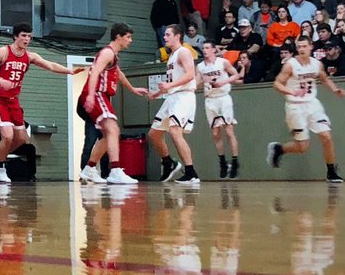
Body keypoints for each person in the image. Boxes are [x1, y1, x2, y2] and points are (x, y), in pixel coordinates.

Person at [0, 22, 75, 184]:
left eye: (29, 36)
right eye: (24, 36)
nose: (27, 39)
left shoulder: (30, 56)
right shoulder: (3, 52)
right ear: (15, 36)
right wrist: (1, 81)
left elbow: (50, 65)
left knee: (22, 139)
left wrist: (69, 71)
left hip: (13, 100)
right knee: (8, 136)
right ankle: (0, 168)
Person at [267, 35, 345, 182]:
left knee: (326, 136)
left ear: (311, 46)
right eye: (299, 47)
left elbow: (324, 79)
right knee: (302, 147)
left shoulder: (317, 64)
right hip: (295, 107)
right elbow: (277, 84)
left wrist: (335, 90)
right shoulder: (290, 65)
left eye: (304, 46)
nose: (302, 49)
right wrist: (292, 92)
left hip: (312, 104)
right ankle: (279, 149)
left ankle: (331, 172)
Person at [77, 23, 149, 185]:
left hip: (100, 95)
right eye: (128, 37)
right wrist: (90, 95)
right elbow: (94, 72)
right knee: (113, 129)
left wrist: (132, 88)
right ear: (118, 37)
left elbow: (118, 73)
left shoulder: (113, 56)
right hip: (97, 94)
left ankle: (89, 168)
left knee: (109, 133)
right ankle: (115, 170)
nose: (130, 40)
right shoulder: (107, 53)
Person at [149, 25, 199, 185]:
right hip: (172, 97)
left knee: (175, 132)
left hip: (183, 96)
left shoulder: (184, 52)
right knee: (154, 134)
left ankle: (191, 173)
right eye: (164, 35)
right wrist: (157, 93)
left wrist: (169, 86)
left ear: (177, 36)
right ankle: (169, 163)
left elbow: (190, 75)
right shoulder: (172, 56)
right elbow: (173, 81)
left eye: (168, 34)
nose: (164, 37)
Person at [196, 42, 243, 179]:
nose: (204, 50)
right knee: (215, 133)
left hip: (223, 98)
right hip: (210, 100)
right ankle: (222, 162)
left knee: (229, 131)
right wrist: (204, 80)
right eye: (203, 48)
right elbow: (196, 85)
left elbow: (236, 75)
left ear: (213, 50)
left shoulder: (223, 62)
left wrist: (222, 82)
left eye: (207, 48)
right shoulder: (200, 66)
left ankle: (235, 161)